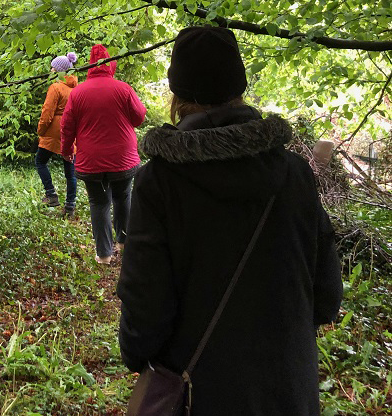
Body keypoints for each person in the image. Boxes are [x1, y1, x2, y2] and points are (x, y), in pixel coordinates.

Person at [117, 26, 343, 415]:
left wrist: (139, 355)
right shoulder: (294, 173)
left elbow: (146, 301)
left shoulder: (160, 181)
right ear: (239, 85)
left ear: (178, 92)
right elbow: (327, 296)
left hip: (200, 390)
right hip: (288, 386)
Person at [60, 44, 146, 264]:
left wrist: (66, 150)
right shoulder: (123, 89)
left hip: (92, 161)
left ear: (89, 66)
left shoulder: (77, 93)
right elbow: (138, 118)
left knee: (99, 204)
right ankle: (124, 244)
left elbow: (67, 126)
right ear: (111, 63)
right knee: (123, 197)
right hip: (123, 159)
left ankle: (105, 255)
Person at [36, 52, 79, 218]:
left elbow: (47, 113)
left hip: (55, 131)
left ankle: (51, 195)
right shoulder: (76, 89)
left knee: (40, 161)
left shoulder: (55, 87)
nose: (51, 70)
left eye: (53, 67)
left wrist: (41, 130)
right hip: (71, 130)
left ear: (61, 70)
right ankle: (70, 206)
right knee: (70, 170)